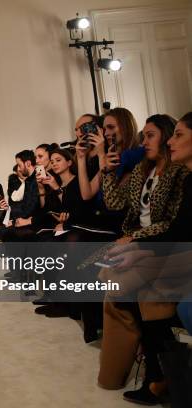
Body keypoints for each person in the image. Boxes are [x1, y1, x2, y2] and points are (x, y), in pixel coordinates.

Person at [97, 114, 188, 398]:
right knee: (119, 286)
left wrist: (135, 240)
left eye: (150, 135)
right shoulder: (140, 169)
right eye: (143, 136)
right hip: (144, 240)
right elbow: (114, 204)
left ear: (164, 135)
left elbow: (174, 225)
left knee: (129, 288)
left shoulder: (180, 173)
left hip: (158, 243)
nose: (143, 142)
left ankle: (155, 373)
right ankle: (151, 373)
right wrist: (107, 171)